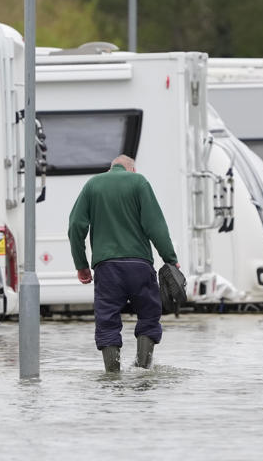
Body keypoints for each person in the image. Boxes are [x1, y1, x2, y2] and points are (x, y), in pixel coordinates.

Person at [67, 155, 178, 372]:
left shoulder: (92, 185)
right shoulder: (139, 182)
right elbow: (155, 225)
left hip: (106, 268)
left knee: (107, 320)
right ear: (132, 169)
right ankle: (143, 370)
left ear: (111, 169)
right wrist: (170, 259)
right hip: (140, 265)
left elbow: (75, 227)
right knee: (148, 314)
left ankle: (112, 376)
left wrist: (81, 264)